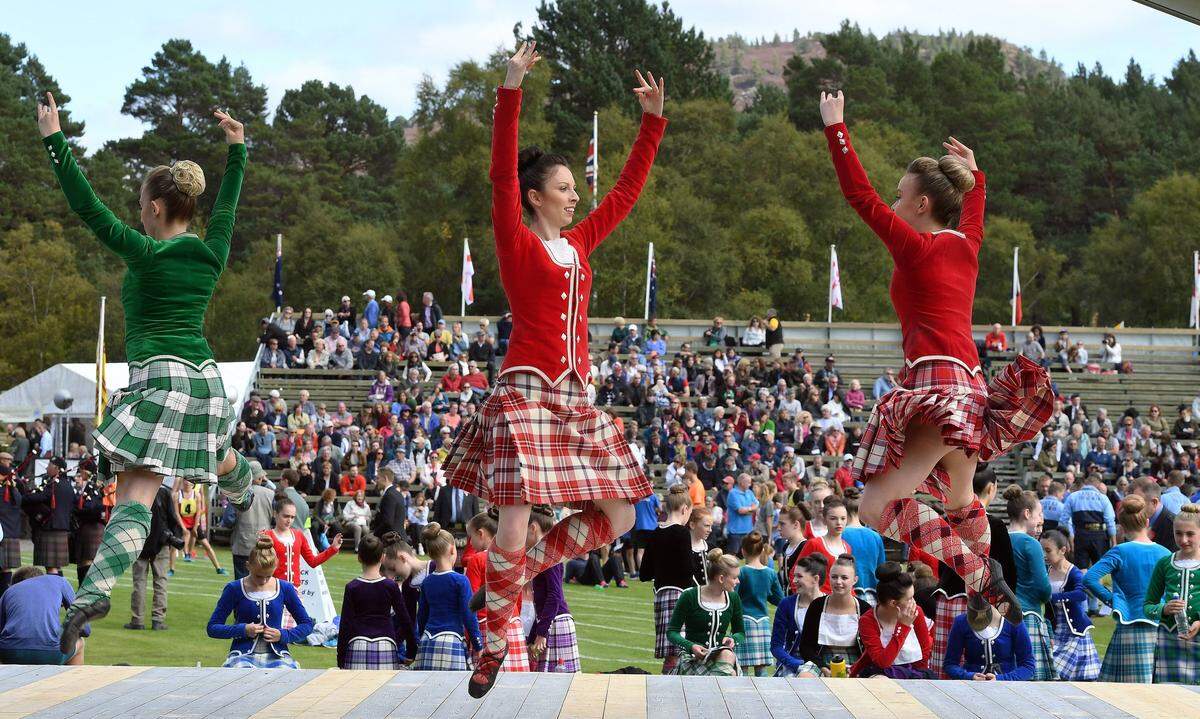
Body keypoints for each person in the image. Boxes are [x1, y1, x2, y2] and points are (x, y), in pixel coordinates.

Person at [442, 44, 667, 697]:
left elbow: (625, 193)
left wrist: (651, 124)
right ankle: (492, 640)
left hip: (574, 397)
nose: (576, 198)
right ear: (536, 196)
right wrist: (510, 89)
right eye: (565, 189)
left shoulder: (580, 243)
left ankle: (517, 576)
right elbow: (498, 176)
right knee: (512, 521)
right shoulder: (517, 240)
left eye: (575, 190)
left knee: (622, 514)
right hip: (524, 392)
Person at [818, 90, 1049, 631]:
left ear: (922, 205)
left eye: (903, 196)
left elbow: (860, 197)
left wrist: (837, 130)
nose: (894, 204)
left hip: (937, 383)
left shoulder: (916, 247)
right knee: (963, 496)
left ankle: (979, 577)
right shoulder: (965, 246)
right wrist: (978, 178)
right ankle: (983, 615)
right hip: (970, 385)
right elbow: (975, 216)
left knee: (875, 508)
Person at [42, 91, 255, 652]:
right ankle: (247, 484)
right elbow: (228, 205)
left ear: (156, 208)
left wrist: (55, 141)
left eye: (140, 202)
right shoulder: (212, 253)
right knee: (211, 450)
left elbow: (87, 208)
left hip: (159, 378)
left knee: (136, 496)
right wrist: (237, 148)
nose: (137, 211)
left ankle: (95, 590)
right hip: (206, 382)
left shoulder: (144, 252)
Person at [1083, 493, 1171, 682]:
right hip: (1160, 625)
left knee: (1124, 691)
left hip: (1129, 621)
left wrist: (1112, 600)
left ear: (1121, 525)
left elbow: (1089, 578)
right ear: (1147, 522)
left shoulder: (1120, 551)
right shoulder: (1165, 553)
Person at [207, 536, 312, 668]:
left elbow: (307, 625)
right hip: (242, 655)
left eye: (268, 576)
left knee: (283, 674)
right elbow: (212, 628)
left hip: (278, 656)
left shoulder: (285, 588)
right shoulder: (234, 588)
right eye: (258, 576)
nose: (263, 581)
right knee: (241, 673)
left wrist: (283, 635)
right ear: (247, 566)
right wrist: (242, 629)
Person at [337, 533, 417, 669]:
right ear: (382, 557)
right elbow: (405, 620)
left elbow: (345, 625)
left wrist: (341, 658)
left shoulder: (352, 587)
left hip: (357, 646)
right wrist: (411, 651)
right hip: (385, 646)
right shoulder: (390, 586)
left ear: (359, 558)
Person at [638, 485, 695, 673]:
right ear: (685, 509)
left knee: (671, 652)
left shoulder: (655, 533)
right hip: (680, 597)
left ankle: (667, 682)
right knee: (682, 649)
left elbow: (644, 574)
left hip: (661, 597)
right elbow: (688, 570)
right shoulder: (682, 533)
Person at [465, 510, 529, 673]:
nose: (469, 542)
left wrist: (471, 635)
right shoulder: (512, 557)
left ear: (481, 533)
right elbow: (518, 594)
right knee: (516, 677)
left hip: (487, 626)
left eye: (470, 537)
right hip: (512, 622)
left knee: (487, 679)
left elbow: (471, 600)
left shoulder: (477, 559)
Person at [1144, 503, 1200, 685]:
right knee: (1168, 698)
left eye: (1190, 534)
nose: (1183, 539)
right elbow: (1148, 606)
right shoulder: (1164, 563)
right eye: (1178, 533)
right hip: (1169, 638)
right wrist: (1164, 609)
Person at [666, 548, 745, 676]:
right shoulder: (689, 596)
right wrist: (691, 646)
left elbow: (740, 632)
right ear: (721, 578)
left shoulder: (733, 598)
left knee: (727, 655)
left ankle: (716, 688)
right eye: (735, 577)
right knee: (730, 673)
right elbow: (672, 632)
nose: (738, 581)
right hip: (692, 658)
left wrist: (732, 639)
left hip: (721, 657)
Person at [414, 523, 481, 670]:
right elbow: (469, 615)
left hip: (428, 640)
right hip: (452, 640)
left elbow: (422, 616)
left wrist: (420, 637)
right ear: (452, 549)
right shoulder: (460, 581)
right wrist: (478, 644)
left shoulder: (426, 582)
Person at [1003, 486, 1053, 680]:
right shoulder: (1031, 543)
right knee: (1030, 678)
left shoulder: (999, 538)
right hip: (1028, 614)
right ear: (1027, 513)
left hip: (1002, 614)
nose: (1041, 519)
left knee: (1007, 674)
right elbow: (1043, 588)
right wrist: (1045, 596)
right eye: (1039, 514)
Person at [851, 563, 934, 678]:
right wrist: (903, 626)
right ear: (893, 603)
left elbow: (924, 651)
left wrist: (917, 678)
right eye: (910, 599)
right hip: (880, 673)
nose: (914, 602)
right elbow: (882, 662)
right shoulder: (868, 621)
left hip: (913, 672)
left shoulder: (916, 611)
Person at [1040, 529, 1100, 680]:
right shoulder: (1046, 570)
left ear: (1063, 550)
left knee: (1078, 675)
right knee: (1053, 671)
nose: (1044, 555)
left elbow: (1081, 594)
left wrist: (1054, 597)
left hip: (1074, 631)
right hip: (1055, 628)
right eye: (1042, 550)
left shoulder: (1074, 572)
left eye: (1048, 550)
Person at [797, 554, 869, 673]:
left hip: (856, 664)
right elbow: (806, 647)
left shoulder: (864, 609)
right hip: (820, 662)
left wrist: (854, 669)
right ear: (828, 577)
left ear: (855, 580)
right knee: (805, 676)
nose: (838, 582)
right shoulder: (817, 606)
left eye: (844, 578)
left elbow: (869, 649)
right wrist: (823, 667)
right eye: (834, 577)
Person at [0, 566, 85, 665]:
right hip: (52, 652)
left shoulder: (8, 592)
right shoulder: (60, 581)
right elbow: (85, 629)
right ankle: (71, 680)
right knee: (80, 642)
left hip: (10, 652)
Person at [125, 483, 180, 631]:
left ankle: (137, 620)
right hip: (160, 543)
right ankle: (158, 620)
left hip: (139, 543)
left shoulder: (136, 491)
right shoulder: (164, 493)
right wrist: (172, 538)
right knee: (160, 582)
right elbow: (172, 518)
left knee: (139, 583)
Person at [262, 498, 342, 591]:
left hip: (295, 590)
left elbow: (313, 561)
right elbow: (260, 567)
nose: (289, 520)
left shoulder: (299, 535)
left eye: (292, 517)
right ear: (275, 514)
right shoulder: (267, 536)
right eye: (286, 516)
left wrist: (332, 548)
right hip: (272, 590)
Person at [942, 604, 1036, 681]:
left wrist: (1002, 678)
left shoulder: (1013, 621)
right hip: (972, 690)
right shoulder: (961, 622)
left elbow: (1028, 665)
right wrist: (969, 676)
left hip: (1008, 690)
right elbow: (950, 664)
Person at [734, 531, 783, 676]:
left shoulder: (741, 572)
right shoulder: (770, 573)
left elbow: (733, 598)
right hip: (762, 623)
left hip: (743, 623)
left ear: (743, 551)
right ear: (762, 550)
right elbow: (779, 600)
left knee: (741, 668)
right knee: (761, 671)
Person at [771, 555, 827, 677]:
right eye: (794, 575)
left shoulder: (829, 604)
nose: (794, 580)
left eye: (799, 576)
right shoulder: (786, 604)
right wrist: (797, 664)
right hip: (792, 665)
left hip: (823, 665)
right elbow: (776, 646)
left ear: (815, 579)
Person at [25, 457, 74, 576]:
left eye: (49, 465)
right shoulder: (68, 485)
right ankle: (60, 593)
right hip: (63, 527)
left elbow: (41, 497)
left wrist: (23, 496)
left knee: (51, 567)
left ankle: (53, 593)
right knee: (57, 566)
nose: (47, 467)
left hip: (50, 527)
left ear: (56, 468)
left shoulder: (53, 484)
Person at [231, 464, 276, 580]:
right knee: (262, 582)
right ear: (260, 478)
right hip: (263, 544)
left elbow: (228, 519)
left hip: (242, 544)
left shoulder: (238, 493)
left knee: (241, 582)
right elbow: (275, 519)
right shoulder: (271, 495)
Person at [841, 489, 886, 602]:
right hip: (873, 593)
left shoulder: (841, 534)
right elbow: (882, 567)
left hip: (847, 592)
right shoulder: (875, 536)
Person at [798, 498, 850, 593]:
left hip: (841, 602)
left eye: (843, 518)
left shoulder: (847, 547)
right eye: (833, 518)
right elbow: (797, 571)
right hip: (819, 601)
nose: (839, 522)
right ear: (825, 520)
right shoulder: (814, 544)